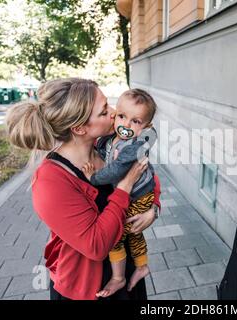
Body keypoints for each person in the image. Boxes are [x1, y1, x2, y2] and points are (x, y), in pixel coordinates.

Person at [5, 78, 161, 300]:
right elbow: (96, 245)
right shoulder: (51, 180)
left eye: (109, 104)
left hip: (126, 268)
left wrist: (153, 208)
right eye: (104, 110)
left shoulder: (107, 144)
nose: (115, 113)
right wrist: (125, 186)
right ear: (79, 128)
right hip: (87, 286)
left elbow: (148, 175)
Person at [82, 89, 159, 297]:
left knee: (117, 236)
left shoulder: (135, 145)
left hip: (140, 195)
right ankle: (142, 266)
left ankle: (119, 277)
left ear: (146, 127)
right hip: (139, 194)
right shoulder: (113, 137)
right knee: (134, 234)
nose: (126, 125)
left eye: (135, 121)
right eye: (122, 116)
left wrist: (93, 179)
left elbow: (115, 170)